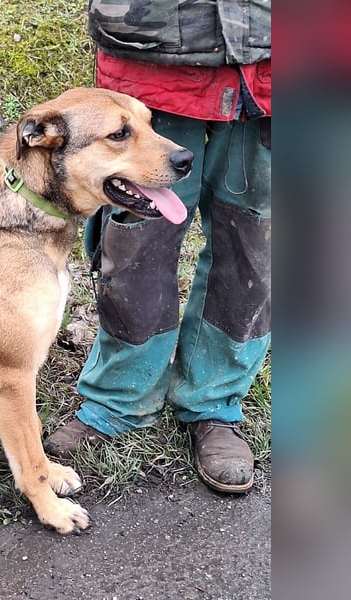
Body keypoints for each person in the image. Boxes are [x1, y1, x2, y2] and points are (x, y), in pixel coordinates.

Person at [43, 0, 271, 493]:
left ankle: (215, 401)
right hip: (152, 49)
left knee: (255, 242)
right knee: (134, 241)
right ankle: (119, 397)